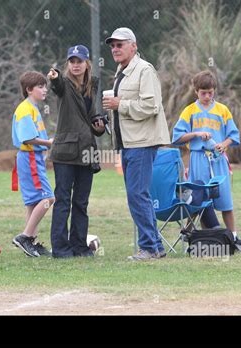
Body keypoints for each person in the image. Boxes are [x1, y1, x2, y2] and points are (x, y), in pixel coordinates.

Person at [103, 28, 171, 261]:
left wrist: (120, 104)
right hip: (128, 143)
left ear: (133, 46)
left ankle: (149, 248)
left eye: (119, 45)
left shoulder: (144, 70)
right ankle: (154, 246)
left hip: (142, 143)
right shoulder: (121, 71)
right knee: (137, 195)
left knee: (137, 195)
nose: (115, 49)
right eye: (112, 45)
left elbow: (151, 106)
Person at [172, 70, 241, 252]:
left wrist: (223, 145)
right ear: (196, 91)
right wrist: (196, 134)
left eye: (211, 92)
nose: (207, 96)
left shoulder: (222, 110)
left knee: (226, 201)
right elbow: (177, 137)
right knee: (197, 200)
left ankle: (234, 239)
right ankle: (190, 237)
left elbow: (233, 135)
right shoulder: (190, 111)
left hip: (218, 161)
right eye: (203, 93)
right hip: (198, 160)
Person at [47, 45, 105, 258]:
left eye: (79, 61)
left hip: (86, 150)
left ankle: (80, 247)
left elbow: (90, 118)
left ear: (87, 63)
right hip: (65, 151)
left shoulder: (93, 85)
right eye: (72, 61)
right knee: (63, 200)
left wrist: (98, 126)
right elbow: (57, 85)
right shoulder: (63, 83)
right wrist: (53, 78)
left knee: (81, 202)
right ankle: (61, 249)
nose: (75, 65)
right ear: (68, 64)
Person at [11, 71, 55, 258]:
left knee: (33, 202)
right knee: (48, 199)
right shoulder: (25, 108)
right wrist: (49, 143)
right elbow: (28, 138)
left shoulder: (33, 107)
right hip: (30, 158)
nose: (45, 89)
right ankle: (25, 237)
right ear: (29, 90)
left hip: (31, 159)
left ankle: (32, 243)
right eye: (40, 86)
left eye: (45, 86)